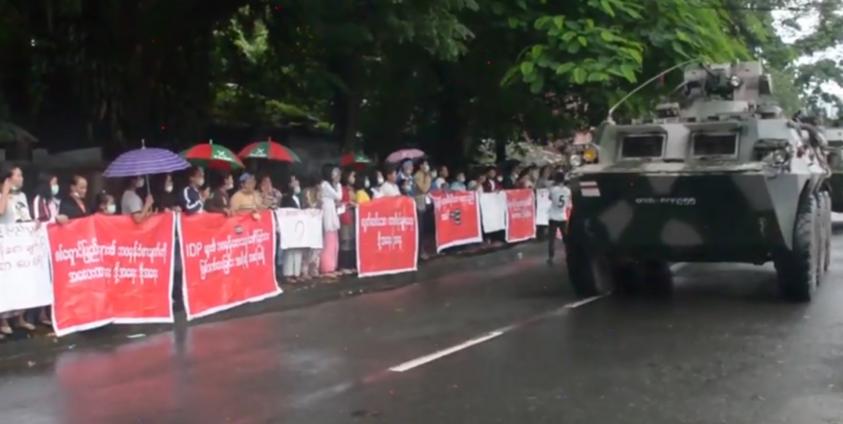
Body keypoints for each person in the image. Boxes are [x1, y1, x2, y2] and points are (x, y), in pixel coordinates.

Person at [0, 165, 37, 335]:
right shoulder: (2, 196)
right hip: (6, 248)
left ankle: (20, 318)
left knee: (21, 282)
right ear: (8, 178)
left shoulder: (21, 195)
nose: (21, 178)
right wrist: (5, 192)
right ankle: (3, 320)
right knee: (5, 284)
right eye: (18, 175)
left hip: (22, 246)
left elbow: (25, 216)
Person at [280, 175, 305, 282]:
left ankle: (296, 272)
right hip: (290, 226)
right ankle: (288, 274)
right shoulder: (286, 198)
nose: (297, 183)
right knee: (290, 251)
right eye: (293, 181)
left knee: (298, 249)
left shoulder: (298, 197)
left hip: (298, 226)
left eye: (296, 180)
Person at [319, 165, 342, 277]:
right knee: (328, 242)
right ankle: (326, 268)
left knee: (334, 242)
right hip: (327, 213)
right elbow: (338, 196)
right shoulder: (325, 185)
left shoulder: (330, 185)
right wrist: (338, 185)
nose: (336, 176)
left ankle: (333, 266)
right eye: (334, 173)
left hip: (332, 212)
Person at [547, 172, 571, 265]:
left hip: (553, 216)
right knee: (565, 238)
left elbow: (550, 198)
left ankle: (551, 257)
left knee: (551, 239)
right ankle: (569, 254)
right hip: (562, 216)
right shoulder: (567, 190)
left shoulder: (553, 190)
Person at [301, 178, 322, 280]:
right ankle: (305, 271)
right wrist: (317, 199)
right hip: (307, 221)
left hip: (317, 222)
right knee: (307, 247)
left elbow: (320, 207)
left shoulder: (319, 193)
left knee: (317, 247)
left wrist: (319, 198)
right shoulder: (306, 192)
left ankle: (314, 269)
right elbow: (307, 206)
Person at [338, 169, 357, 274]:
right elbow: (340, 201)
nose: (354, 178)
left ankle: (350, 265)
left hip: (352, 216)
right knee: (345, 241)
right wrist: (348, 203)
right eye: (352, 176)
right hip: (345, 216)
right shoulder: (342, 189)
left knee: (351, 241)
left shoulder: (353, 189)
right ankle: (343, 266)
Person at [413, 159, 433, 259]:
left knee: (424, 229)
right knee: (419, 230)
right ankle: (420, 252)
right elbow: (424, 189)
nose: (426, 166)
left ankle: (422, 250)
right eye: (425, 164)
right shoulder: (418, 176)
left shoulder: (424, 175)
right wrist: (428, 177)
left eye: (427, 164)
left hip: (424, 204)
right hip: (418, 205)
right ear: (420, 166)